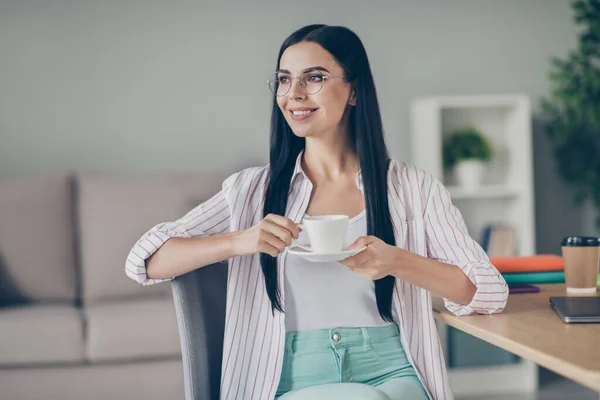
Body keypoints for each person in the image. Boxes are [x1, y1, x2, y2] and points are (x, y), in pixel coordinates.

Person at [125, 24, 508, 400]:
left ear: (354, 91)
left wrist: (397, 261)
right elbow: (145, 260)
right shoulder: (251, 191)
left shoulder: (412, 188)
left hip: (394, 368)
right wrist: (240, 240)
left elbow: (488, 291)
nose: (295, 94)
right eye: (284, 80)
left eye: (314, 78)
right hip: (288, 378)